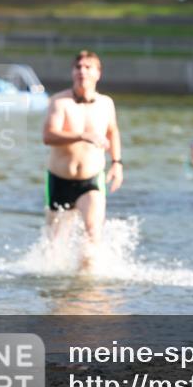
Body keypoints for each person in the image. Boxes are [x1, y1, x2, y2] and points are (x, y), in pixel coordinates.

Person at [41, 51, 123, 268]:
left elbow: (113, 131)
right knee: (55, 246)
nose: (82, 71)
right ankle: (61, 294)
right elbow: (48, 136)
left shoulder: (106, 103)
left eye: (88, 67)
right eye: (78, 67)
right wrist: (82, 135)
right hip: (60, 179)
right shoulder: (60, 102)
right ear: (72, 72)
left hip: (91, 180)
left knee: (93, 232)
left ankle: (86, 287)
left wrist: (117, 163)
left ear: (98, 73)